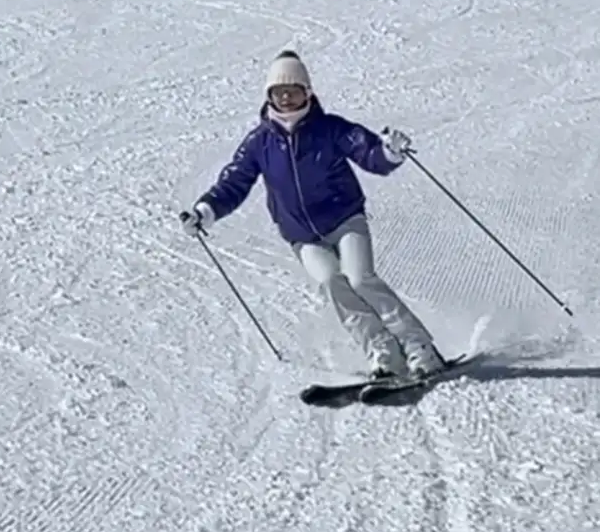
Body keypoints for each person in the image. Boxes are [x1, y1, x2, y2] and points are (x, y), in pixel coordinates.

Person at [180, 50, 444, 383]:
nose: (287, 97)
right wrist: (205, 212)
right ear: (269, 96)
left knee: (360, 278)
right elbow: (234, 181)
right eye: (279, 92)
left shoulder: (330, 129)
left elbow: (368, 153)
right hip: (302, 236)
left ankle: (419, 347)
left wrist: (389, 152)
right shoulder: (259, 143)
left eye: (294, 89)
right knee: (332, 282)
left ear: (308, 91)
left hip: (346, 220)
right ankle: (382, 351)